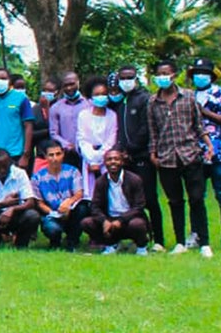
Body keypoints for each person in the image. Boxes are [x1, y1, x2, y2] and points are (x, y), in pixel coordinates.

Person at [148, 61, 214, 257]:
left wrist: (208, 144)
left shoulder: (188, 97)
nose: (163, 77)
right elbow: (153, 131)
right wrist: (153, 154)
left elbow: (199, 125)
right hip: (166, 158)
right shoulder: (152, 102)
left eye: (166, 73)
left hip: (190, 155)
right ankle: (179, 242)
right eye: (159, 73)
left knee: (196, 199)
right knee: (175, 201)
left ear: (174, 75)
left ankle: (204, 242)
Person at [188, 58, 221, 253]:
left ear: (211, 75)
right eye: (197, 72)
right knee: (195, 196)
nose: (201, 76)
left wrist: (206, 113)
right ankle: (196, 233)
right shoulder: (188, 96)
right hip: (195, 154)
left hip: (219, 153)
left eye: (204, 72)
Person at [114, 65, 166, 248]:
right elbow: (120, 131)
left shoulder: (144, 99)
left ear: (136, 78)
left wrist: (131, 148)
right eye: (123, 78)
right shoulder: (122, 103)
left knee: (149, 199)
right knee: (127, 200)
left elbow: (146, 128)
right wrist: (121, 151)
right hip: (126, 159)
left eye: (130, 77)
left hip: (142, 157)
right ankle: (134, 237)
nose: (126, 81)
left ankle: (159, 239)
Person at [80, 149, 151, 256]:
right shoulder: (100, 182)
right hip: (110, 220)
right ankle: (110, 244)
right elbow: (95, 206)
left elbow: (139, 206)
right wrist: (104, 221)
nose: (113, 162)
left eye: (116, 159)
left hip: (129, 219)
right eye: (109, 159)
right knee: (87, 223)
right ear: (104, 163)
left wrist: (121, 220)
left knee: (138, 224)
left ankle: (141, 246)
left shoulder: (134, 180)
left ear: (122, 162)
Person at [0, 148, 39, 248]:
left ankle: (20, 244)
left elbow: (30, 202)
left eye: (5, 167)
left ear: (11, 163)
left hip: (16, 214)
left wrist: (12, 209)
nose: (2, 170)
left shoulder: (20, 174)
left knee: (32, 215)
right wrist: (3, 204)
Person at [31, 139, 87, 250]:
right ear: (45, 157)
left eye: (58, 154)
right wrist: (54, 212)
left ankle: (72, 241)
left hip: (70, 211)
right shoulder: (37, 177)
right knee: (51, 228)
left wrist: (68, 204)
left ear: (63, 154)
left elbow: (79, 193)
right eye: (51, 155)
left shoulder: (73, 171)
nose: (55, 158)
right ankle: (55, 242)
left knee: (83, 209)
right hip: (51, 213)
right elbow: (39, 202)